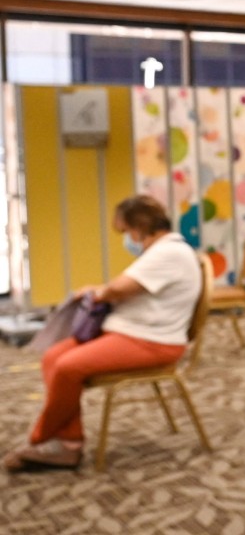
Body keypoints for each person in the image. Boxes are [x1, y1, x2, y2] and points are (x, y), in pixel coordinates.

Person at [4, 195, 201, 472]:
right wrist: (101, 290)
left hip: (154, 340)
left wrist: (98, 291)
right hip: (131, 331)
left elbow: (118, 289)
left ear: (139, 226)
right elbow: (124, 287)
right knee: (53, 357)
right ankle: (69, 441)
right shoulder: (162, 252)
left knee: (66, 367)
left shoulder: (168, 253)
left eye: (126, 232)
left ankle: (42, 438)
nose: (126, 239)